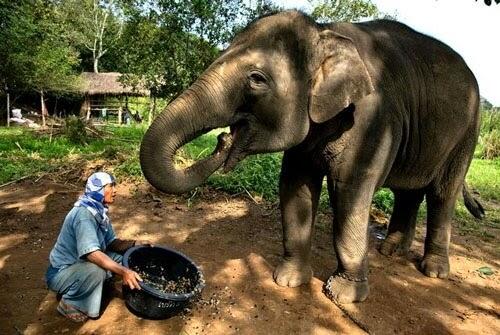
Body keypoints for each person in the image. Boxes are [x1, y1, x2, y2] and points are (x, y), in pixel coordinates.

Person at [45, 172, 147, 322]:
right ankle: (70, 303)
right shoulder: (84, 215)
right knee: (97, 269)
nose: (115, 190)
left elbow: (112, 243)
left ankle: (94, 286)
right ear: (98, 189)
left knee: (128, 256)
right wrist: (124, 271)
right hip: (61, 273)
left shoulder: (98, 210)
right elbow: (92, 254)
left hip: (79, 267)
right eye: (110, 186)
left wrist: (135, 244)